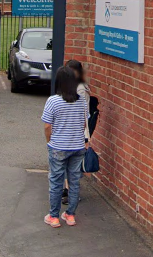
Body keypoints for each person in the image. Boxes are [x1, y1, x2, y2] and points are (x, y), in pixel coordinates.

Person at [41, 66, 88, 228]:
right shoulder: (81, 101)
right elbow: (84, 123)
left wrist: (49, 141)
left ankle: (53, 216)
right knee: (74, 182)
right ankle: (70, 215)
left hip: (58, 147)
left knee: (56, 181)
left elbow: (47, 126)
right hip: (77, 147)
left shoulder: (53, 101)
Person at [62, 59, 91, 205]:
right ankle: (68, 190)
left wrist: (84, 137)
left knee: (73, 166)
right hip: (71, 131)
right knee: (69, 164)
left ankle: (72, 194)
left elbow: (83, 113)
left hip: (78, 133)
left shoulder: (80, 89)